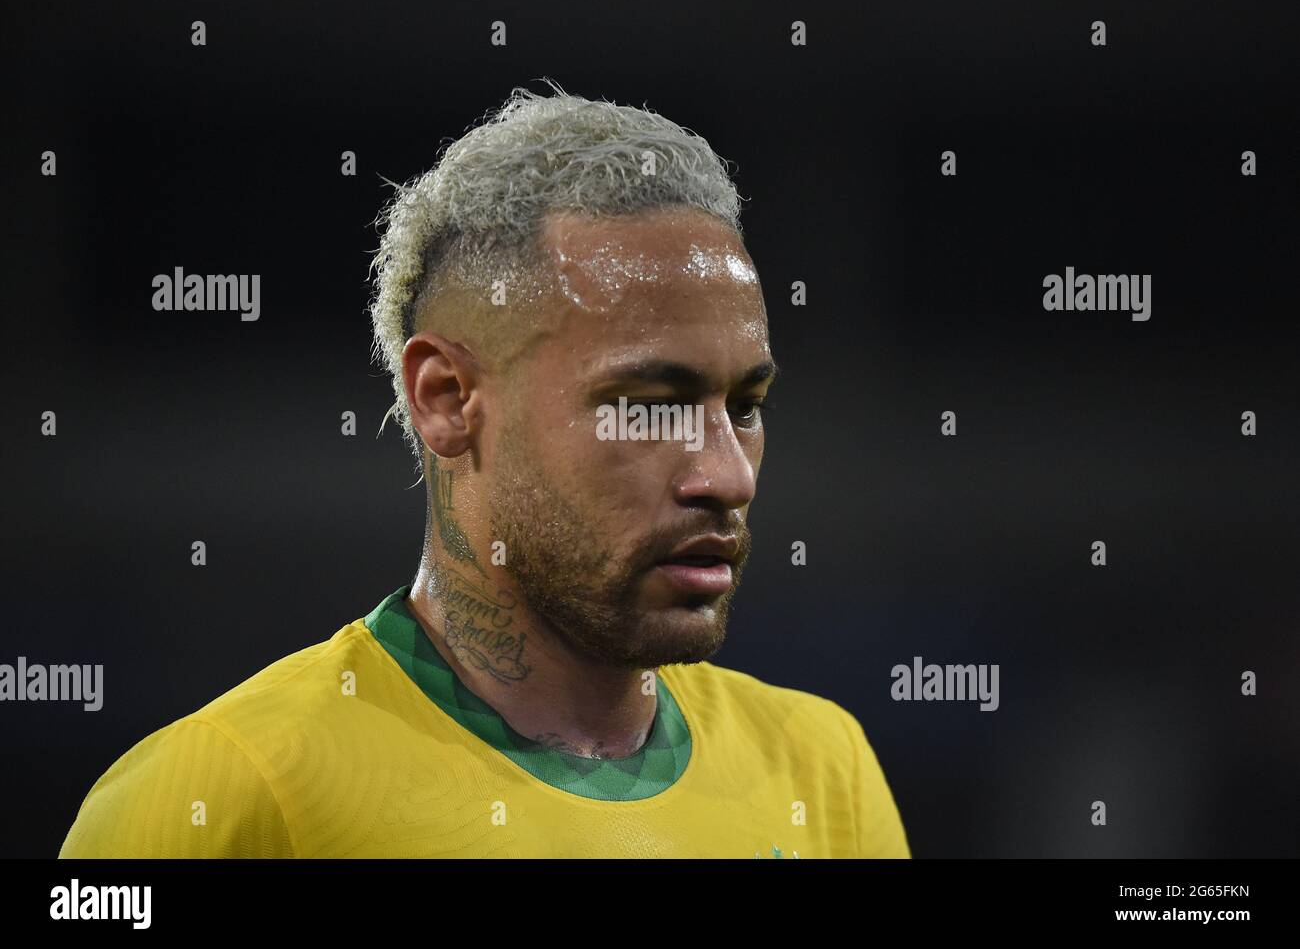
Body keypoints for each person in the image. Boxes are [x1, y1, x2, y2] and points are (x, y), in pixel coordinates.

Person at [60, 81, 910, 858]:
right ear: (446, 397)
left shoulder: (825, 775)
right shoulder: (224, 794)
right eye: (649, 403)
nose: (728, 476)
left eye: (746, 407)